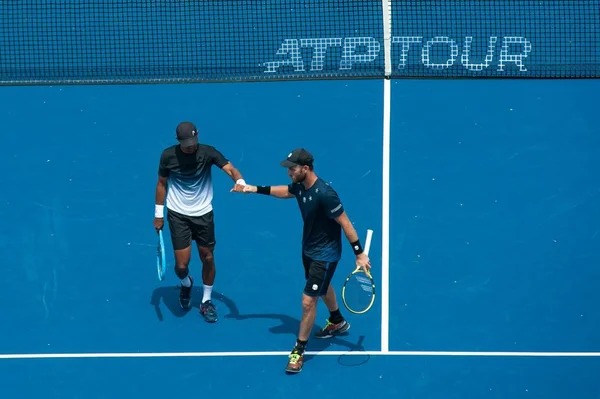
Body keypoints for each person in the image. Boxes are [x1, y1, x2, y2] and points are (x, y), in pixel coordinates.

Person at [232, 148, 371, 373]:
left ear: (305, 169)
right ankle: (337, 321)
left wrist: (359, 253)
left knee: (308, 301)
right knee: (321, 288)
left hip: (325, 255)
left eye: (292, 168)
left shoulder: (326, 193)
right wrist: (253, 189)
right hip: (308, 250)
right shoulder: (300, 186)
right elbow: (287, 192)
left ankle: (299, 350)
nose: (289, 172)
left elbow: (345, 222)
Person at [154, 121, 246, 323]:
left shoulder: (208, 152)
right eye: (187, 143)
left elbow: (230, 168)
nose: (191, 146)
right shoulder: (168, 156)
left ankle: (205, 301)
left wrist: (239, 181)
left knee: (208, 258)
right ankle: (187, 284)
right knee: (180, 267)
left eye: (194, 141)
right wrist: (158, 214)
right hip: (178, 215)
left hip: (203, 215)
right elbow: (162, 183)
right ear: (178, 141)